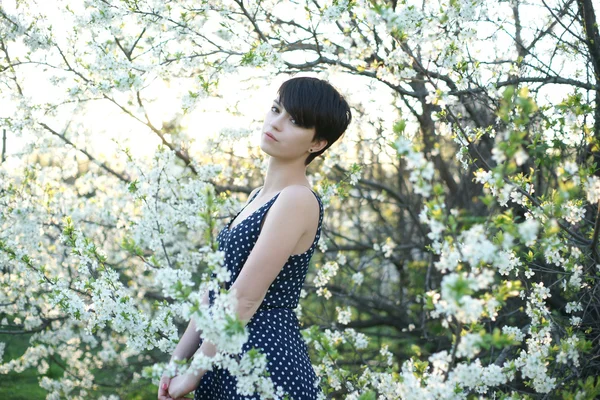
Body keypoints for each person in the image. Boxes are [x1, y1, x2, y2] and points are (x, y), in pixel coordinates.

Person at [157, 76, 352, 400]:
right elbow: (213, 293)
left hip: (264, 360)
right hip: (219, 354)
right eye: (276, 109)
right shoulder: (255, 197)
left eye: (294, 121)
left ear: (317, 143)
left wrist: (192, 375)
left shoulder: (297, 199)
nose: (276, 123)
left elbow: (246, 296)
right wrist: (177, 361)